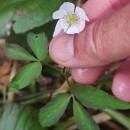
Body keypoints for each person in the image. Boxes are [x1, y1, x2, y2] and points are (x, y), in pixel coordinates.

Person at [49, 0, 130, 102]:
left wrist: (92, 42)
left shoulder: (79, 16)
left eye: (72, 17)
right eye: (70, 18)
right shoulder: (67, 18)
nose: (71, 18)